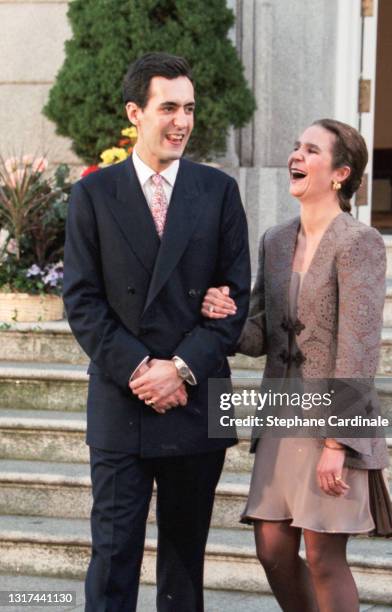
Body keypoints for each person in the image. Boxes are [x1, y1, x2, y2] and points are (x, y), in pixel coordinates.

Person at [63, 52, 251, 612]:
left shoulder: (218, 191)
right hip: (123, 399)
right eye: (168, 107)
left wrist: (182, 368)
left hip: (197, 400)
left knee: (184, 564)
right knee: (113, 557)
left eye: (189, 108)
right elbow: (82, 300)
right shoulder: (93, 195)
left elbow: (234, 297)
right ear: (135, 113)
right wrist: (144, 370)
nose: (182, 122)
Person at [201, 118, 392, 612]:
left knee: (322, 555)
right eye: (296, 147)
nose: (296, 155)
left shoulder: (360, 242)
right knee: (271, 548)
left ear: (340, 172)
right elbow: (260, 333)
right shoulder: (275, 239)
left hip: (331, 421)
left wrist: (338, 442)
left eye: (311, 150)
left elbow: (359, 347)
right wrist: (223, 317)